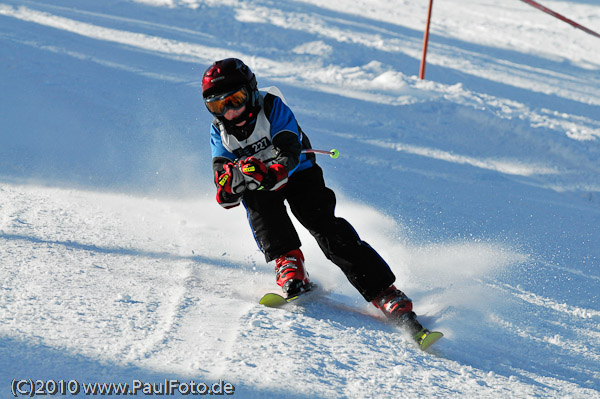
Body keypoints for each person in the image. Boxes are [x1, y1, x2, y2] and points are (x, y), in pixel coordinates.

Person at [202, 58, 425, 336]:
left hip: (299, 172)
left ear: (251, 90)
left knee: (322, 223)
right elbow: (221, 167)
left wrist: (271, 172)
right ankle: (288, 261)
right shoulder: (219, 129)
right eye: (217, 106)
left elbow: (289, 149)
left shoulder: (271, 106)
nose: (230, 112)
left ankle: (384, 291)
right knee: (259, 205)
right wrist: (227, 185)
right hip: (260, 181)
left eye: (235, 100)